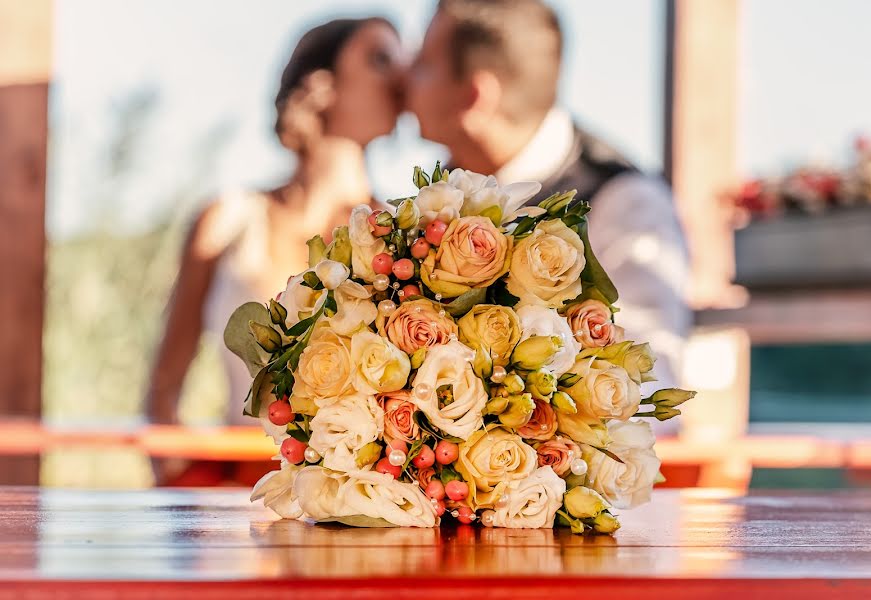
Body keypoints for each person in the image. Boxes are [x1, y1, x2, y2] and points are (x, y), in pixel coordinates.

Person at [406, 0, 692, 409]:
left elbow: (645, 380)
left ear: (473, 97)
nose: (405, 78)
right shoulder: (434, 196)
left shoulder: (625, 203)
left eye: (423, 63)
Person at [147, 17, 405, 460]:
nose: (403, 75)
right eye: (380, 59)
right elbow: (164, 386)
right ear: (321, 86)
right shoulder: (226, 221)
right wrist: (181, 487)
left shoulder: (402, 238)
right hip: (234, 490)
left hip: (354, 496)